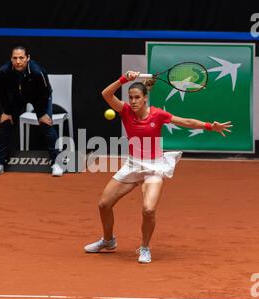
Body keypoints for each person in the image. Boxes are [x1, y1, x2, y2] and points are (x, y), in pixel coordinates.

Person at [84, 70, 232, 263]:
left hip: (154, 167)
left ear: (145, 98)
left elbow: (185, 121)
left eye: (137, 97)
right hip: (132, 165)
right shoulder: (125, 111)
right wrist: (124, 79)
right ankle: (108, 240)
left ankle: (144, 248)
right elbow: (106, 94)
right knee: (104, 204)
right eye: (131, 98)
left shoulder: (158, 114)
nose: (134, 101)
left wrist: (210, 126)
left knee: (148, 210)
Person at [0, 45, 63, 176]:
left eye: (21, 58)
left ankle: (56, 163)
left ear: (28, 58)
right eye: (15, 58)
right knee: (5, 124)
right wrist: (6, 111)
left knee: (46, 124)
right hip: (16, 98)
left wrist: (41, 114)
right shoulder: (4, 71)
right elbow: (1, 92)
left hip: (39, 97)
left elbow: (45, 93)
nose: (18, 61)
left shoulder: (37, 71)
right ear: (11, 59)